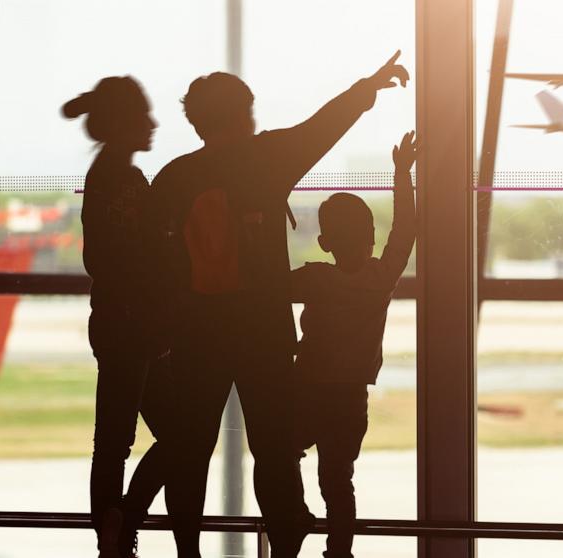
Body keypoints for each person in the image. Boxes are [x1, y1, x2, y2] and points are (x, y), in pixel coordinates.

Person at [151, 52, 410, 558]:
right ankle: (286, 544)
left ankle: (187, 550)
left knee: (191, 450)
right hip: (263, 335)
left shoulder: (173, 178)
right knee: (274, 452)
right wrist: (368, 87)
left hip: (197, 335)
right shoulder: (264, 159)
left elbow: (156, 264)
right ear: (245, 113)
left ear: (199, 121)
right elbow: (323, 126)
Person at [291, 131, 417, 558]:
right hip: (349, 397)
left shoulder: (315, 278)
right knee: (338, 480)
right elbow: (406, 230)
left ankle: (291, 517)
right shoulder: (379, 280)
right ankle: (339, 552)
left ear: (325, 243)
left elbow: (265, 285)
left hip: (306, 389)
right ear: (372, 238)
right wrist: (402, 175)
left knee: (283, 451)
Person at [62, 76, 166, 558]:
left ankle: (114, 525)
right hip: (133, 325)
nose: (153, 124)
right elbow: (128, 256)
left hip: (118, 322)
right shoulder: (123, 182)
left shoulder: (108, 176)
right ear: (125, 123)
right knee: (165, 434)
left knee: (116, 439)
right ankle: (118, 526)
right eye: (144, 116)